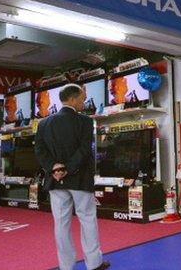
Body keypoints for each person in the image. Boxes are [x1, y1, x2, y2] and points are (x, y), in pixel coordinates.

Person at [35, 84, 110, 270]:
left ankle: (66, 266)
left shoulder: (44, 123)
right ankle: (94, 263)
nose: (84, 102)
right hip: (80, 179)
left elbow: (40, 151)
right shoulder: (84, 121)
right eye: (82, 99)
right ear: (72, 99)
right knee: (87, 219)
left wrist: (54, 168)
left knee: (61, 224)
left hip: (55, 180)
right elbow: (84, 150)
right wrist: (68, 168)